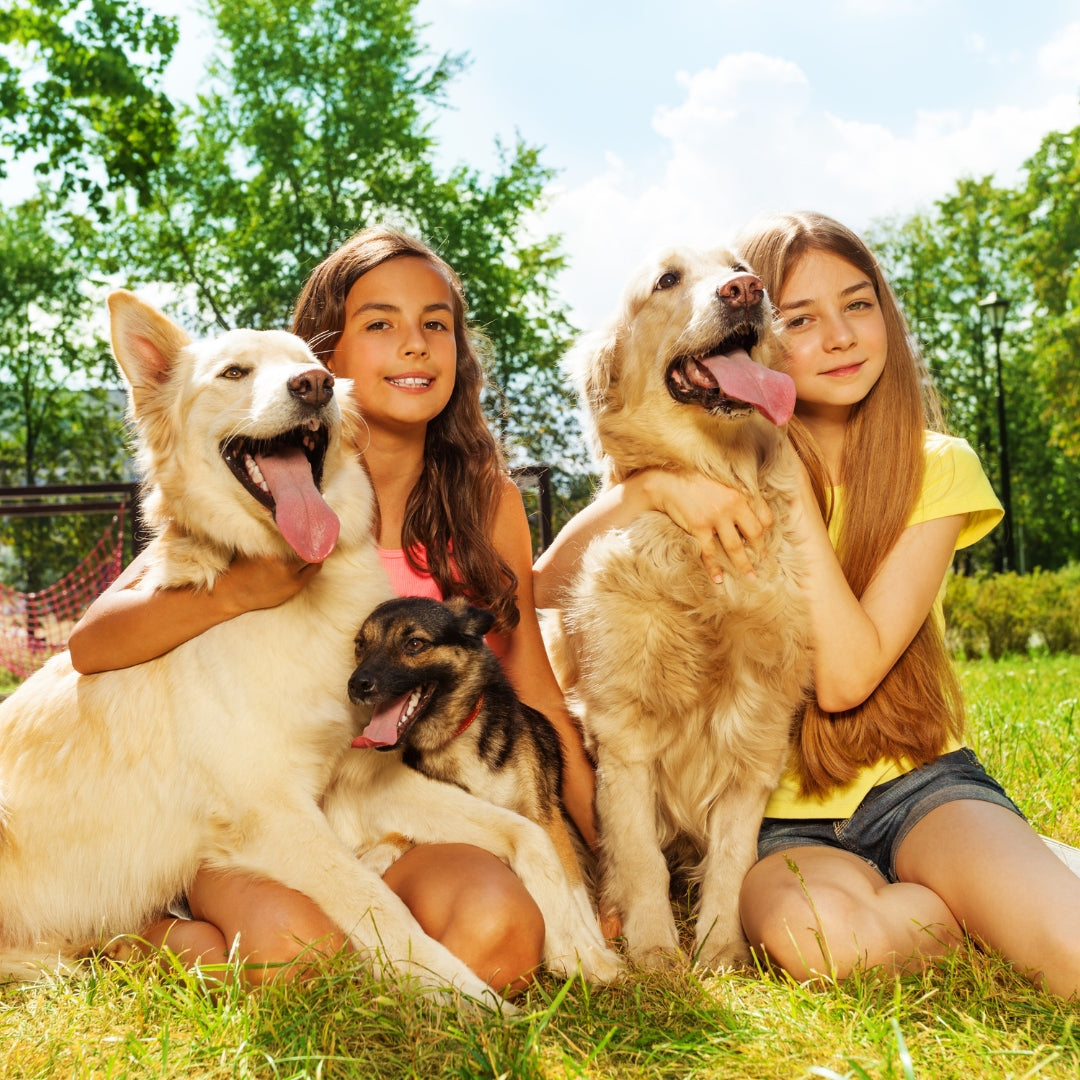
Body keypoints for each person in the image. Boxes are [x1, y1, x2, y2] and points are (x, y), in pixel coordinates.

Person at [533, 210, 1080, 998]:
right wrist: (651, 487)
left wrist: (778, 468)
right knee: (830, 948)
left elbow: (846, 676)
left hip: (917, 787)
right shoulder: (699, 457)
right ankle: (982, 895)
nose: (842, 336)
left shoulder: (931, 466)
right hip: (783, 827)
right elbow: (542, 587)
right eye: (800, 317)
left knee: (1069, 951)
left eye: (859, 305)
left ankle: (1008, 878)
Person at [69, 225, 598, 995]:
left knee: (499, 938)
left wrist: (606, 863)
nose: (414, 344)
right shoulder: (254, 496)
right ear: (326, 362)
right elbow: (92, 642)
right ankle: (147, 934)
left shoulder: (487, 501)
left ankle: (326, 933)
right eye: (380, 324)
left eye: (436, 325)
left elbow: (537, 695)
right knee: (296, 957)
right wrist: (243, 588)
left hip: (393, 803)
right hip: (256, 812)